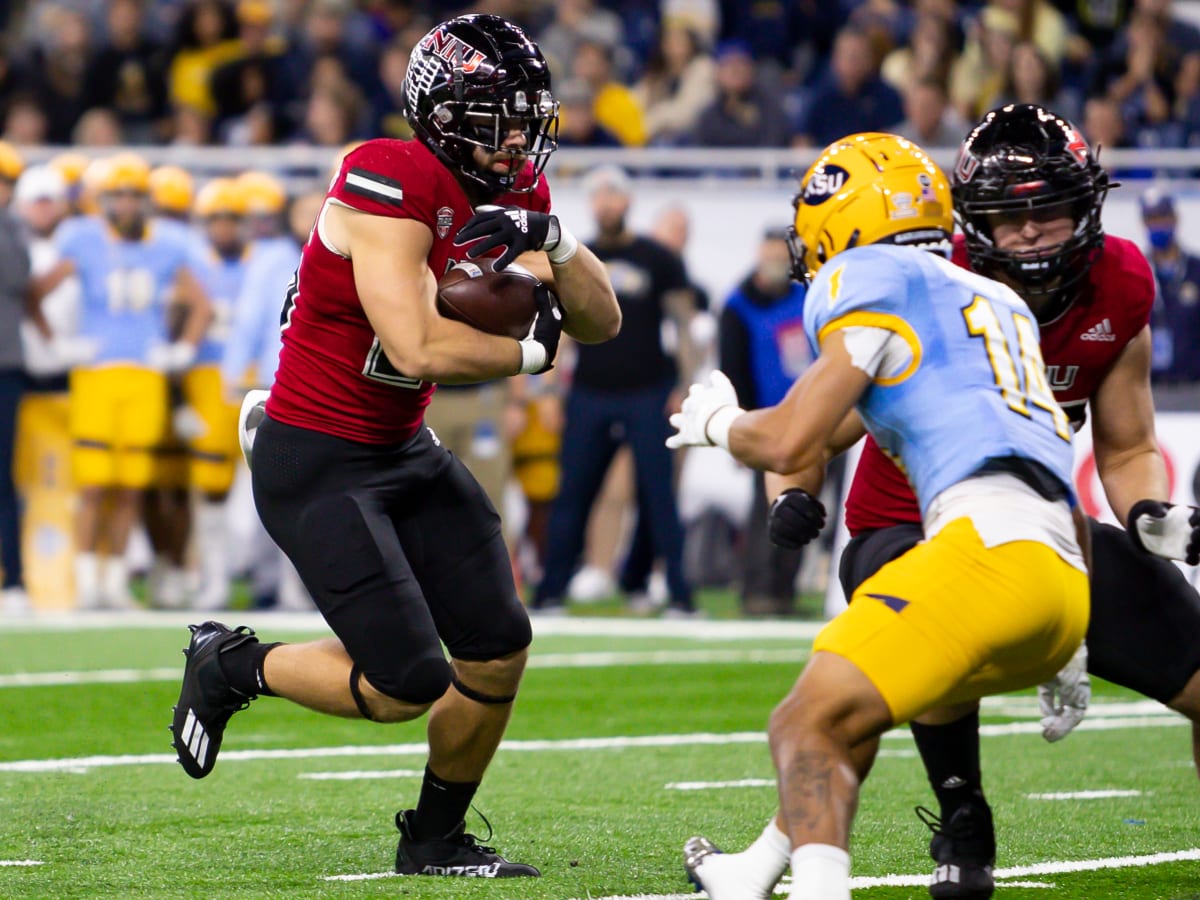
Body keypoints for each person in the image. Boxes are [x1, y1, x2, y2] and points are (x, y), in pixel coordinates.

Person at [169, 13, 619, 878]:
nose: (520, 134)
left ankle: (435, 840)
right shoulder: (386, 174)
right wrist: (530, 349)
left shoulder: (515, 191)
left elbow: (603, 320)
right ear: (445, 111)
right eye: (501, 115)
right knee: (405, 683)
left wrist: (555, 241)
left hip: (402, 448)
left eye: (527, 114)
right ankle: (232, 663)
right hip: (317, 453)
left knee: (498, 645)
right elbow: (414, 348)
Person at [755, 105, 1200, 900]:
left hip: (1044, 525)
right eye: (1007, 214)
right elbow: (813, 425)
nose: (1029, 232)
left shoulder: (1120, 285)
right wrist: (790, 489)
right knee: (934, 614)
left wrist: (1146, 515)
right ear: (970, 221)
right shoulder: (924, 280)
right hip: (908, 518)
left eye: (1048, 210)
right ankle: (963, 814)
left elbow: (1127, 447)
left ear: (1088, 208)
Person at [671, 130, 1092, 900]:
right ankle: (754, 871)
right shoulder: (997, 298)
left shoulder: (870, 275)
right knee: (850, 703)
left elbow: (795, 435)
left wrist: (718, 423)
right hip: (1062, 576)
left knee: (803, 724)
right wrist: (1070, 645)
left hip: (985, 553)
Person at [34, 153, 212, 610]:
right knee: (93, 484)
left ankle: (111, 582)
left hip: (146, 375)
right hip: (96, 373)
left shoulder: (168, 244)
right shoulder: (82, 238)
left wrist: (182, 350)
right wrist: (60, 343)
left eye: (135, 194)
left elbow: (201, 304)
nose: (127, 204)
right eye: (119, 194)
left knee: (130, 485)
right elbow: (35, 294)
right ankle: (83, 581)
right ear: (103, 199)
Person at [532, 164, 697, 617]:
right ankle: (550, 593)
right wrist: (549, 392)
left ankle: (677, 593)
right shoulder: (576, 257)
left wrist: (684, 384)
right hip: (590, 393)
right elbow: (560, 330)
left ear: (627, 201)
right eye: (598, 196)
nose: (606, 203)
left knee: (658, 496)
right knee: (573, 494)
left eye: (613, 195)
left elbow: (684, 327)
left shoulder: (659, 257)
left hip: (649, 389)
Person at [718, 228, 810, 617]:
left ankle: (785, 590)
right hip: (767, 421)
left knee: (805, 506)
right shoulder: (738, 306)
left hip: (812, 418)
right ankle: (757, 589)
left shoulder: (806, 297)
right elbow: (732, 371)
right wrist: (738, 429)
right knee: (764, 508)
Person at [0, 141, 30, 615]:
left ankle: (15, 578)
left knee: (4, 477)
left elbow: (17, 275)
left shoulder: (12, 231)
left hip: (5, 364)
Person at [1140, 188, 1200, 396]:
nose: (1158, 224)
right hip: (1150, 388)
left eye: (1162, 217)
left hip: (1193, 387)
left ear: (1174, 218)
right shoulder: (1138, 272)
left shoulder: (1195, 270)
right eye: (1152, 218)